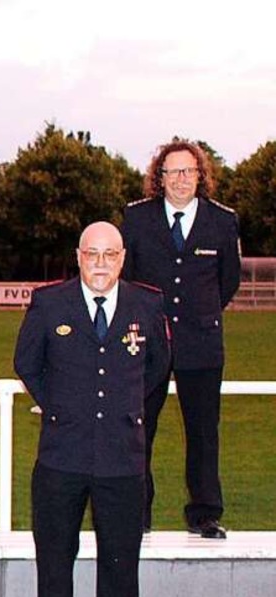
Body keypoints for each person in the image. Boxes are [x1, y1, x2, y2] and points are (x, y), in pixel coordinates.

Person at [14, 222, 170, 597]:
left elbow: (158, 367)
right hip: (62, 454)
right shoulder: (49, 304)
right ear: (78, 256)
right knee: (55, 556)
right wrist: (59, 406)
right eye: (91, 254)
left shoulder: (148, 304)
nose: (100, 264)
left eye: (109, 255)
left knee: (121, 557)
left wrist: (126, 409)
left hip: (123, 456)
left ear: (122, 258)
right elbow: (26, 361)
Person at [120, 140, 242, 538]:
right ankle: (136, 513)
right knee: (139, 430)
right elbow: (129, 278)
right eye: (173, 171)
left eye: (189, 171)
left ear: (200, 175)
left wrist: (198, 315)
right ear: (160, 177)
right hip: (146, 343)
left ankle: (205, 514)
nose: (181, 179)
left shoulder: (223, 221)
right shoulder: (136, 219)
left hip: (201, 343)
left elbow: (228, 282)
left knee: (204, 432)